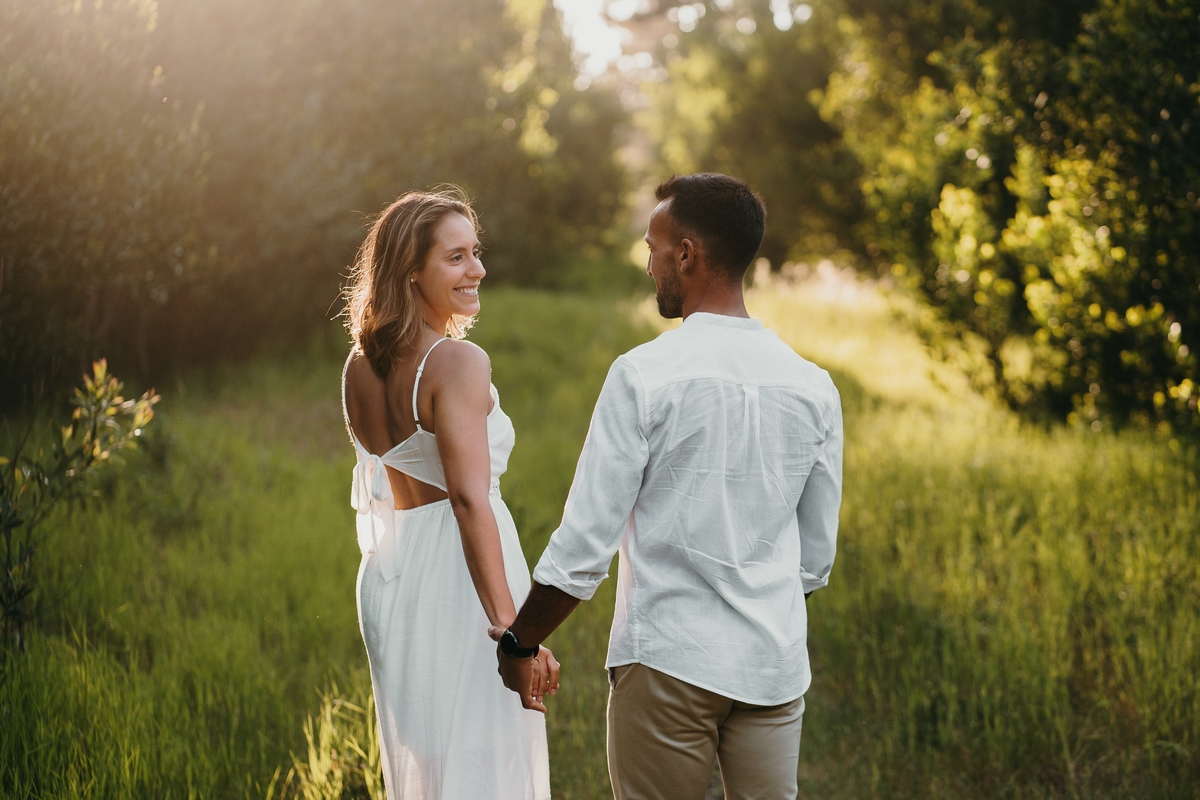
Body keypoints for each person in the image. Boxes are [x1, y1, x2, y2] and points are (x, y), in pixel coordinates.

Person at [490, 173, 843, 799]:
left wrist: (522, 641)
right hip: (773, 666)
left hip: (668, 661)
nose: (647, 264)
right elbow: (814, 558)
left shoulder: (644, 375)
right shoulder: (813, 385)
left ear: (687, 253)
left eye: (652, 248)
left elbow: (584, 545)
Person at [341, 187, 557, 799]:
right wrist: (512, 632)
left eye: (475, 253)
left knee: (431, 759)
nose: (478, 270)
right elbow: (467, 499)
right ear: (412, 272)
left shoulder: (361, 362)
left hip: (393, 573)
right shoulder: (457, 362)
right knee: (482, 767)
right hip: (459, 576)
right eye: (456, 258)